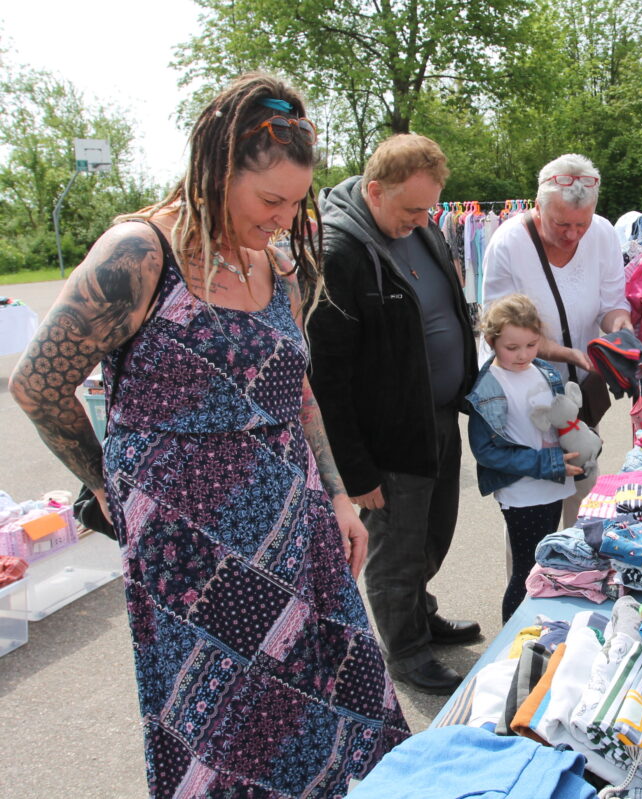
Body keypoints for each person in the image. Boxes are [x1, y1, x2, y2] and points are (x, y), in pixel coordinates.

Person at [10, 73, 409, 796]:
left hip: (295, 529)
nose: (285, 219)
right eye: (269, 201)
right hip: (191, 554)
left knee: (333, 702)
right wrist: (109, 485)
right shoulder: (137, 255)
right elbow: (36, 385)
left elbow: (297, 390)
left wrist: (341, 497)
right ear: (219, 170)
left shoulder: (274, 263)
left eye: (296, 202)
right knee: (229, 724)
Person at [309, 133, 481, 696]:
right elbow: (327, 379)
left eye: (428, 208)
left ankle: (419, 614)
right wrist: (356, 472)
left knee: (433, 535)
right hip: (392, 435)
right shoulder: (341, 251)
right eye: (411, 209)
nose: (422, 219)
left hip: (436, 417)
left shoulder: (418, 225)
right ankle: (404, 651)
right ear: (375, 190)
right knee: (397, 548)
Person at [481, 153, 632, 527]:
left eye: (582, 224)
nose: (572, 234)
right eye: (561, 223)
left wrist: (621, 328)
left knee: (583, 500)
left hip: (578, 396)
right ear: (537, 206)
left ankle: (576, 578)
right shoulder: (509, 243)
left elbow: (612, 304)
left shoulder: (603, 233)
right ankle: (530, 584)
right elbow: (500, 332)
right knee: (534, 516)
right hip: (524, 395)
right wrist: (567, 353)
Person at [465, 294, 584, 622]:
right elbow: (487, 451)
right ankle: (510, 643)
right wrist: (549, 464)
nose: (522, 355)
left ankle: (536, 631)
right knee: (527, 570)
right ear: (491, 341)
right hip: (522, 492)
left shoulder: (545, 371)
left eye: (531, 345)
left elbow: (560, 420)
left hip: (554, 484)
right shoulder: (489, 386)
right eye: (512, 347)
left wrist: (580, 442)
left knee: (545, 565)